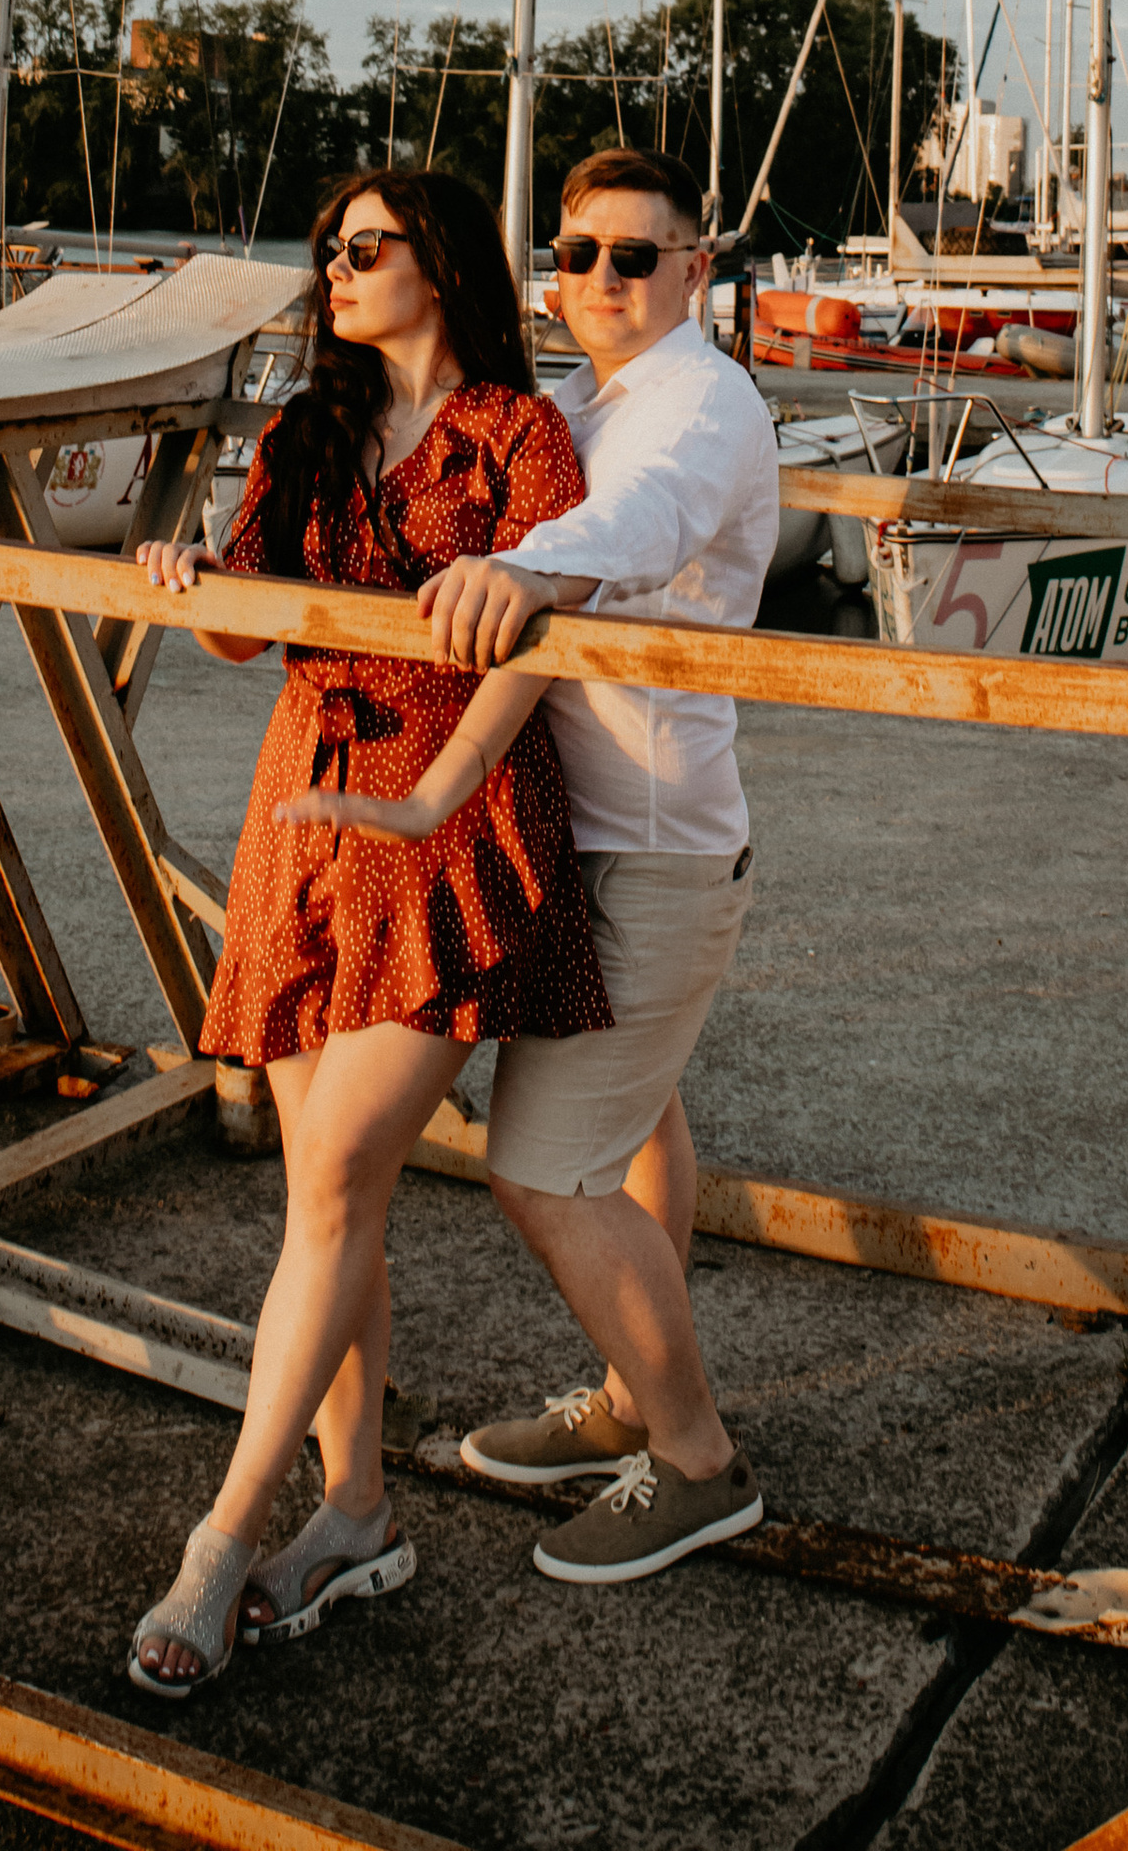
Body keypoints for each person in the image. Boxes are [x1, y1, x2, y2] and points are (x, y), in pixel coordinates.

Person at [123, 169, 609, 1698]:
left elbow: (542, 618)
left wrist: (441, 773)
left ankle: (221, 1540)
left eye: (368, 246)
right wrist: (194, 573)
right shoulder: (306, 431)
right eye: (327, 247)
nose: (336, 266)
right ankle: (356, 1514)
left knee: (333, 1179)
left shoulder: (517, 435)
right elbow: (239, 628)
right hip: (307, 816)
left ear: (442, 265)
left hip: (447, 820)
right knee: (333, 1204)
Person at [312, 143, 781, 1587]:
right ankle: (633, 1399)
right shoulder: (583, 401)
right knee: (643, 1122)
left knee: (542, 1168)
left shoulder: (700, 404)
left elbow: (635, 521)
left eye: (637, 257)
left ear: (696, 268)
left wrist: (522, 573)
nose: (603, 280)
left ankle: (695, 1459)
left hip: (653, 843)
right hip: (575, 830)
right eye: (578, 255)